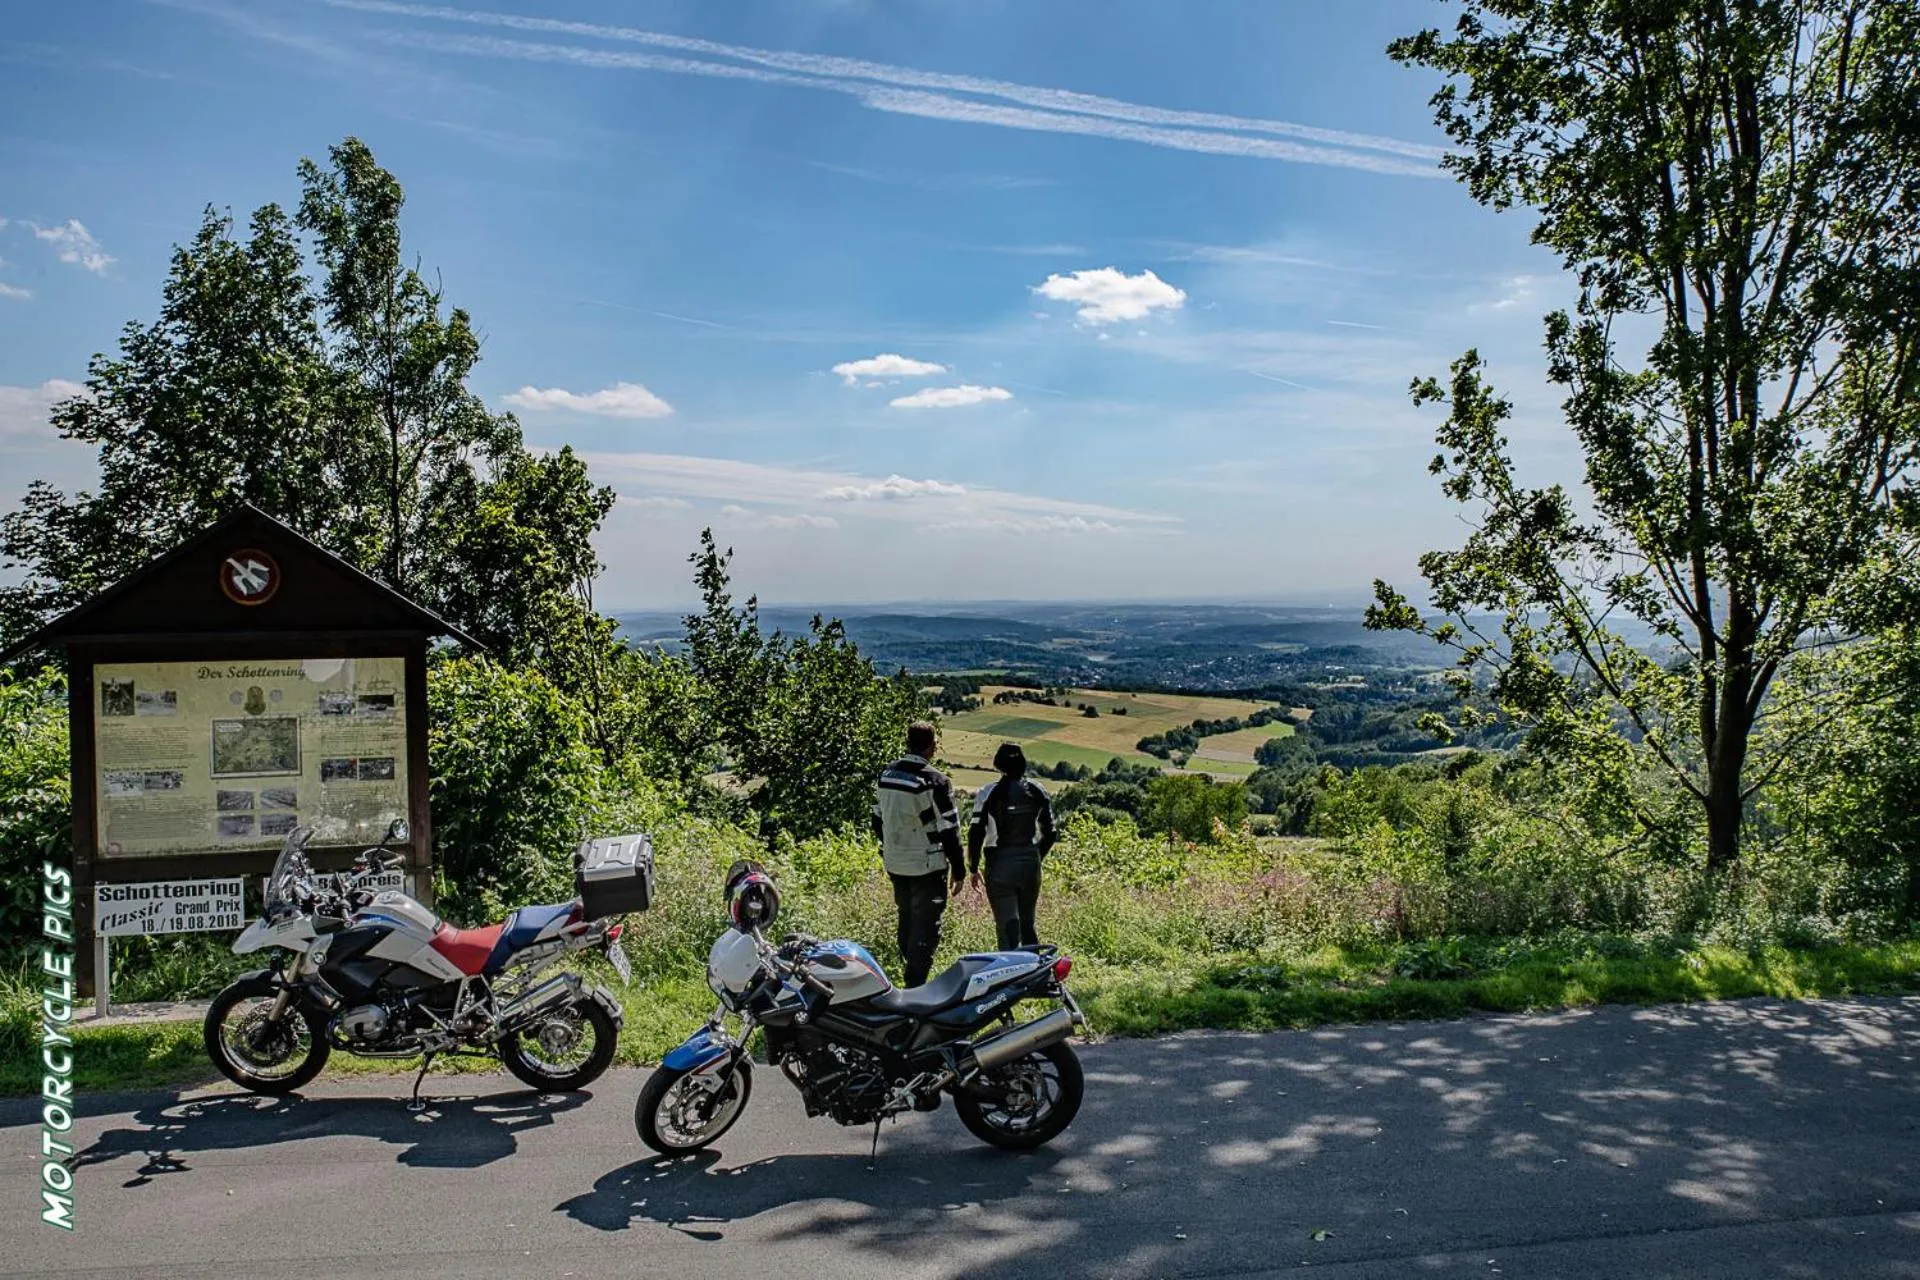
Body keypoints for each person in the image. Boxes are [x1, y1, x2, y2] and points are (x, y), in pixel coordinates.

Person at [870, 721, 964, 988]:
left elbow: (876, 819)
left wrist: (891, 844)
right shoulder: (936, 781)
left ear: (907, 742)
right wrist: (959, 870)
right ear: (932, 746)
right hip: (927, 863)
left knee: (906, 916)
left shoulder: (886, 775)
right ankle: (915, 986)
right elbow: (949, 829)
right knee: (926, 924)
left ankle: (905, 975)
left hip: (895, 860)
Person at [967, 742, 1057, 950]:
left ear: (998, 765)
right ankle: (1035, 973)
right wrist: (1036, 855)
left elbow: (976, 833)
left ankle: (1011, 976)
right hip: (1029, 862)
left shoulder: (987, 792)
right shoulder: (1037, 789)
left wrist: (973, 867)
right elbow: (1050, 832)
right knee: (1028, 925)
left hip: (999, 864)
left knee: (1007, 928)